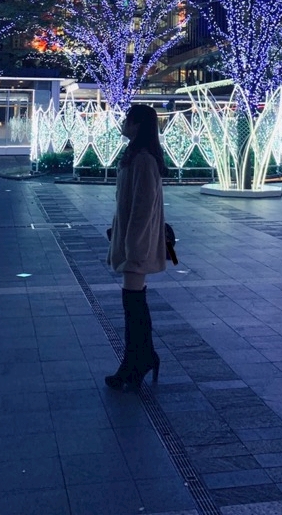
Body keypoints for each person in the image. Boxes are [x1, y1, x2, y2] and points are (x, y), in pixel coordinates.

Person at [105, 104, 166, 390]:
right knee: (135, 303)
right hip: (132, 240)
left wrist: (133, 247)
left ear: (137, 125)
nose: (123, 124)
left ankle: (135, 362)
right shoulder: (136, 156)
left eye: (127, 120)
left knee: (133, 304)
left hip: (137, 245)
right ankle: (143, 356)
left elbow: (143, 208)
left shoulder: (143, 159)